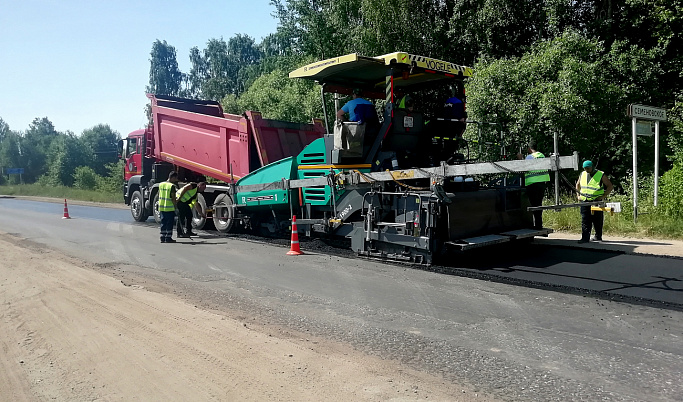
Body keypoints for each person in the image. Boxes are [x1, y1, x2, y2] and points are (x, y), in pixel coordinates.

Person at [576, 160, 613, 243]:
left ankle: (598, 236)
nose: (586, 170)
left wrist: (603, 196)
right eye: (585, 168)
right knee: (585, 219)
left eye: (588, 168)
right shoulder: (583, 174)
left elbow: (610, 186)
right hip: (585, 201)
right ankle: (585, 238)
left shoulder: (600, 174)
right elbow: (578, 185)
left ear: (592, 167)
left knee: (597, 219)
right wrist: (578, 196)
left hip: (596, 200)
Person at [519, 140, 550, 229]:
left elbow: (522, 168)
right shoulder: (542, 156)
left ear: (529, 149)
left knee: (534, 205)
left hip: (532, 184)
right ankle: (539, 224)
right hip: (542, 183)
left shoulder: (530, 157)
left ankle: (537, 225)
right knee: (538, 204)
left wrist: (520, 159)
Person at [158, 171, 179, 243]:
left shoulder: (161, 184)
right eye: (175, 178)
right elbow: (173, 198)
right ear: (172, 177)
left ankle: (162, 237)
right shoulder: (172, 186)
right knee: (169, 223)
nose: (176, 180)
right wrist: (176, 207)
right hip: (169, 207)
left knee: (163, 222)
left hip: (162, 207)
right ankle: (168, 237)